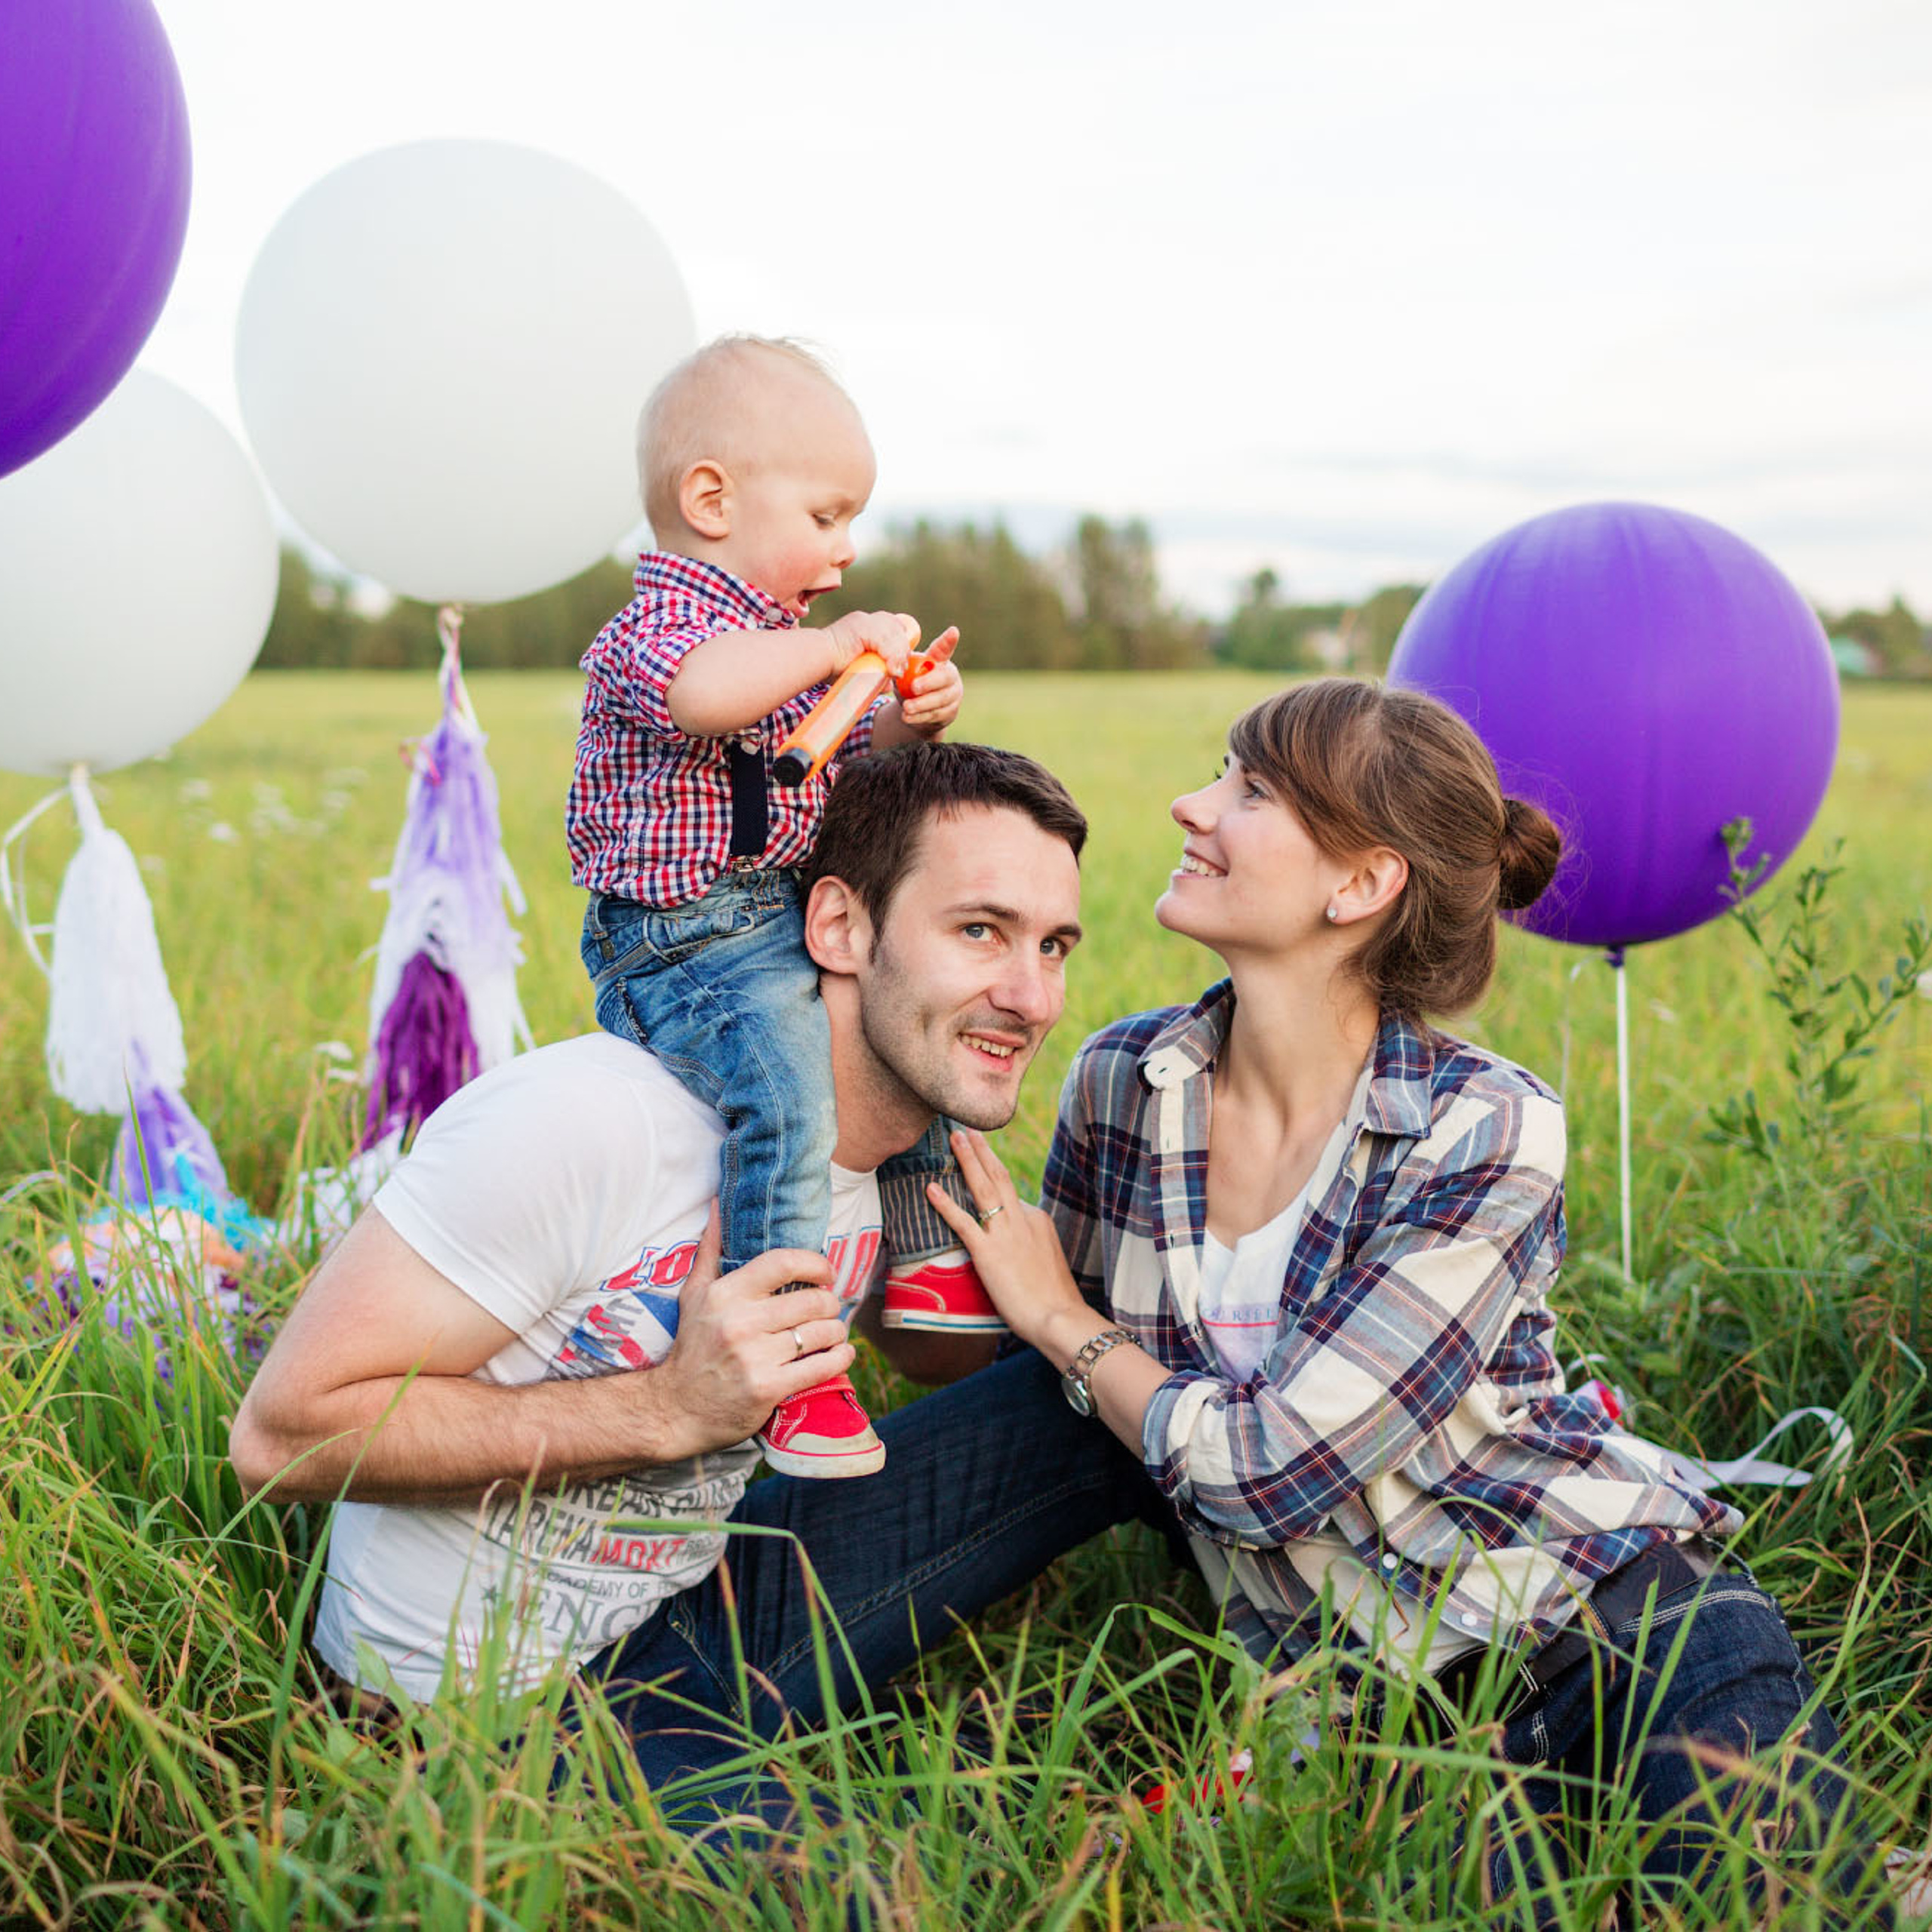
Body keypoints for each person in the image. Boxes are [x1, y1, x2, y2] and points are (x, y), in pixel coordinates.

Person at [929, 679, 1882, 1916]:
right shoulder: (1129, 1081)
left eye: (1250, 789)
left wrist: (1066, 1320)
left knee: (1780, 1910)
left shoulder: (1485, 1124)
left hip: (1612, 1623)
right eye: (1221, 772)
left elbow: (1268, 1469)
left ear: (1361, 884)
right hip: (1370, 1725)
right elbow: (1044, 1389)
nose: (1191, 805)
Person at [229, 741, 1149, 1828]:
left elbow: (929, 1357)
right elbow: (280, 1440)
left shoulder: (902, 1156)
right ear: (839, 928)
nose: (1032, 998)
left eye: (1055, 947)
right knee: (866, 1900)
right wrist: (669, 1409)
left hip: (697, 1613)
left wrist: (1044, 1312)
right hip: (466, 1716)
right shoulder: (594, 1121)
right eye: (980, 932)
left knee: (1096, 1399)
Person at [566, 334, 994, 1486]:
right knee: (789, 1095)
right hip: (684, 939)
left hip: (783, 907)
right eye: (826, 515)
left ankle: (923, 1255)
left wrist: (908, 714)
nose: (847, 554)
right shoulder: (661, 631)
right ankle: (792, 1364)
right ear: (713, 500)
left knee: (911, 1011)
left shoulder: (796, 656)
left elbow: (852, 772)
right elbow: (707, 699)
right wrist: (830, 648)